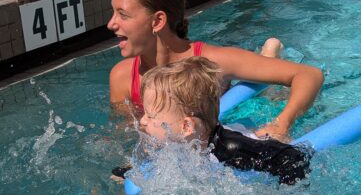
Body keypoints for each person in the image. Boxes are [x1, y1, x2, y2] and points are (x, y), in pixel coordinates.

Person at [107, 0, 324, 141]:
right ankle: (267, 57)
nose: (111, 24)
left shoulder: (210, 62)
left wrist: (281, 124)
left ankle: (268, 55)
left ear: (157, 21)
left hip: (235, 114)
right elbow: (131, 137)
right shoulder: (122, 77)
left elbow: (309, 75)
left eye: (122, 14)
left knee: (266, 96)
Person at [113, 57, 312, 185]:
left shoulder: (231, 150)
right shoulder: (174, 141)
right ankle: (269, 55)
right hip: (222, 129)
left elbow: (293, 159)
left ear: (186, 126)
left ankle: (270, 60)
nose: (142, 121)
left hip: (251, 140)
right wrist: (128, 172)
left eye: (150, 115)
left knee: (265, 128)